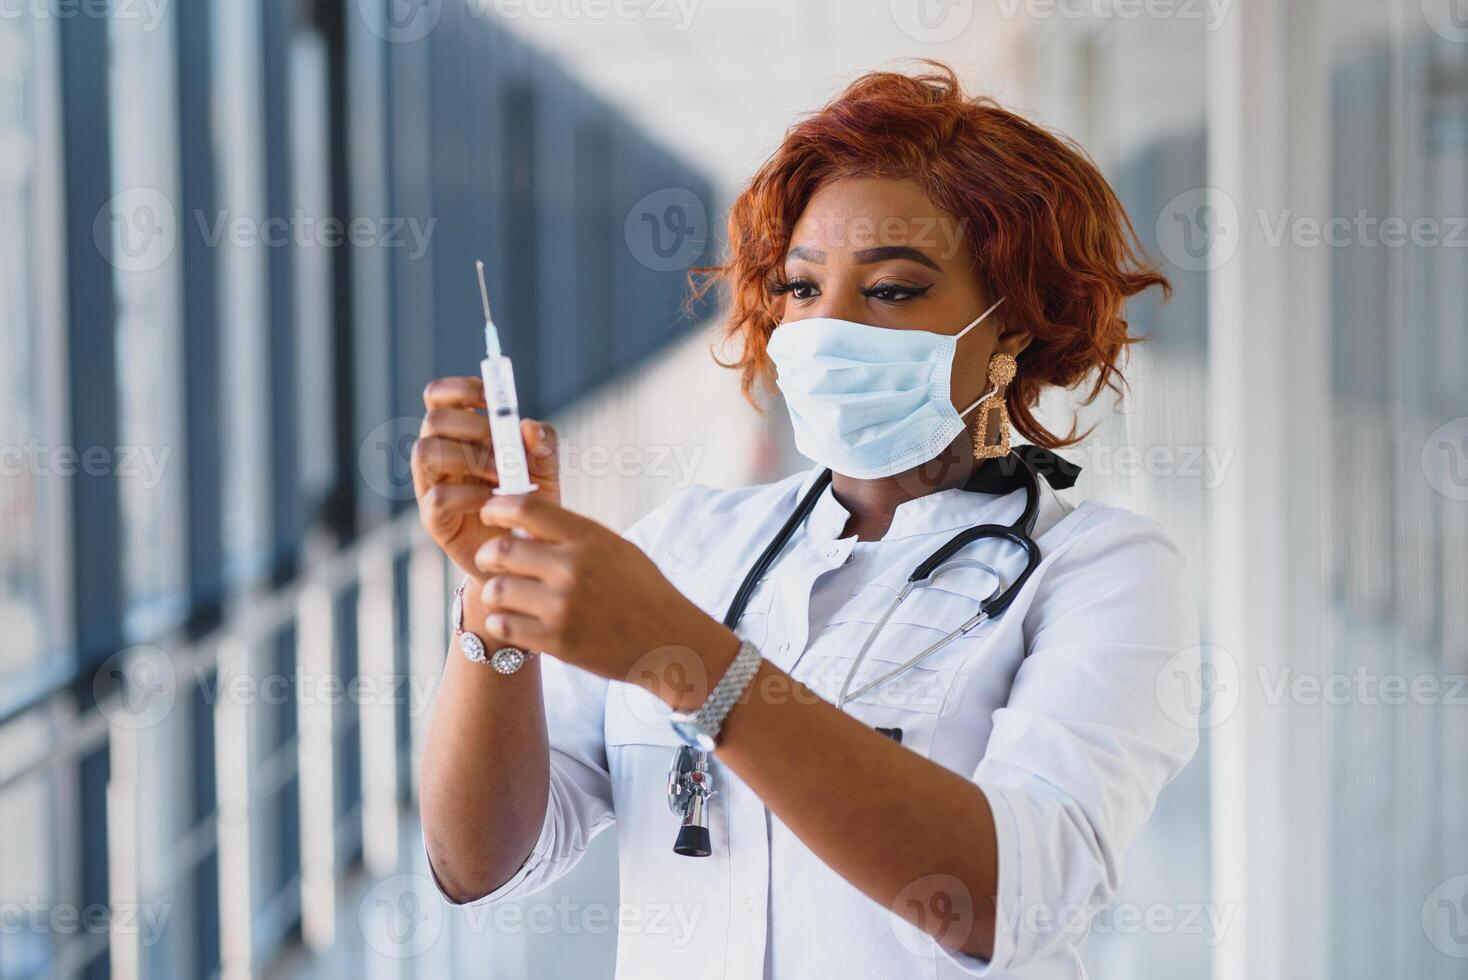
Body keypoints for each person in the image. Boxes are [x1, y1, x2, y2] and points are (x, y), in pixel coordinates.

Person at [412, 62, 1200, 978]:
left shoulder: (1104, 572)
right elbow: (479, 865)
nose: (827, 328)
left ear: (1013, 327)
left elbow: (1005, 898)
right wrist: (491, 600)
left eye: (893, 289)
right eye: (799, 288)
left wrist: (690, 658)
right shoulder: (690, 541)